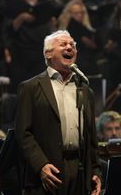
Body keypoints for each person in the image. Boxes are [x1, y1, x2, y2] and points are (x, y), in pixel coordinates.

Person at [15, 30, 101, 195]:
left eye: (73, 45)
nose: (70, 48)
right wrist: (41, 165)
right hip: (48, 172)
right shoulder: (30, 88)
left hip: (79, 171)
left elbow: (91, 137)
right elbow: (23, 133)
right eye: (63, 44)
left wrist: (95, 171)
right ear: (48, 54)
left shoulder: (84, 89)